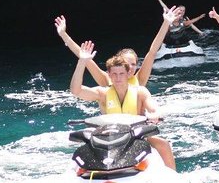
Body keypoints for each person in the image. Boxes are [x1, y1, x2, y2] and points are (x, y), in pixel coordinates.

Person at [70, 40, 177, 170]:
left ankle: (173, 177)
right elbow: (76, 91)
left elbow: (154, 109)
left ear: (128, 74)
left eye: (121, 74)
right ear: (109, 74)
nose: (118, 78)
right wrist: (82, 61)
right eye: (114, 74)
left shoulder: (140, 92)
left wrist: (155, 115)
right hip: (108, 138)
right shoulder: (102, 93)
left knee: (163, 144)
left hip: (136, 136)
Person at [54, 4, 179, 87]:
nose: (130, 67)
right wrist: (63, 34)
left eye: (133, 64)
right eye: (126, 63)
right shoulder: (106, 80)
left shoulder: (140, 79)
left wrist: (166, 23)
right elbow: (84, 58)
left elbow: (152, 51)